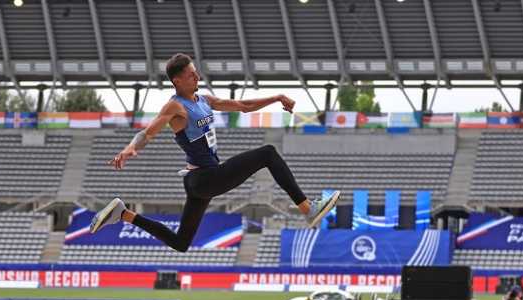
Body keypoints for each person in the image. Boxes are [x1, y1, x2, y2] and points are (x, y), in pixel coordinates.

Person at [89, 53, 340, 252]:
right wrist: (129, 148)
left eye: (196, 72)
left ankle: (122, 213)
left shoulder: (204, 100)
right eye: (190, 75)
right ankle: (308, 208)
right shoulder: (175, 106)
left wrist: (276, 97)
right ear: (177, 80)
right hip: (204, 178)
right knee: (268, 153)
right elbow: (148, 132)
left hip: (200, 180)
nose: (197, 76)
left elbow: (243, 106)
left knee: (181, 243)